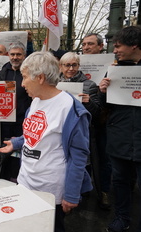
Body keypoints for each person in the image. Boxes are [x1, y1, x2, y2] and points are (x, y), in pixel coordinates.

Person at [0, 51, 92, 232]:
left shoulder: (70, 109)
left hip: (51, 190)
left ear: (40, 78)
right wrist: (16, 143)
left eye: (25, 77)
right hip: (26, 182)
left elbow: (79, 156)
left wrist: (71, 195)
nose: (22, 83)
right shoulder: (35, 101)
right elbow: (37, 134)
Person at [99, 26, 141, 232]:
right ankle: (122, 217)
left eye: (118, 46)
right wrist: (103, 91)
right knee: (121, 181)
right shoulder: (114, 70)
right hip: (120, 137)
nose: (115, 50)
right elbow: (104, 107)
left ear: (134, 45)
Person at [82, 32, 112, 210]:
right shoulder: (75, 67)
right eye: (84, 44)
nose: (86, 47)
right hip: (84, 120)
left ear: (100, 46)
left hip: (102, 119)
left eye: (90, 44)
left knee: (103, 158)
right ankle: (85, 188)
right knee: (83, 155)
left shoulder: (112, 66)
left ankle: (104, 192)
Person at [0, 41, 32, 182]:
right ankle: (2, 178)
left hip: (22, 120)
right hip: (4, 121)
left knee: (19, 152)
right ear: (8, 55)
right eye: (12, 54)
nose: (15, 57)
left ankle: (17, 178)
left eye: (18, 54)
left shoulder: (28, 73)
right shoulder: (2, 73)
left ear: (24, 55)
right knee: (3, 150)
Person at [59, 52, 100, 118]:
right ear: (60, 66)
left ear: (78, 66)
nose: (71, 69)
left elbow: (97, 112)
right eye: (67, 65)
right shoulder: (53, 83)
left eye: (74, 65)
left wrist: (89, 103)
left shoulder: (90, 85)